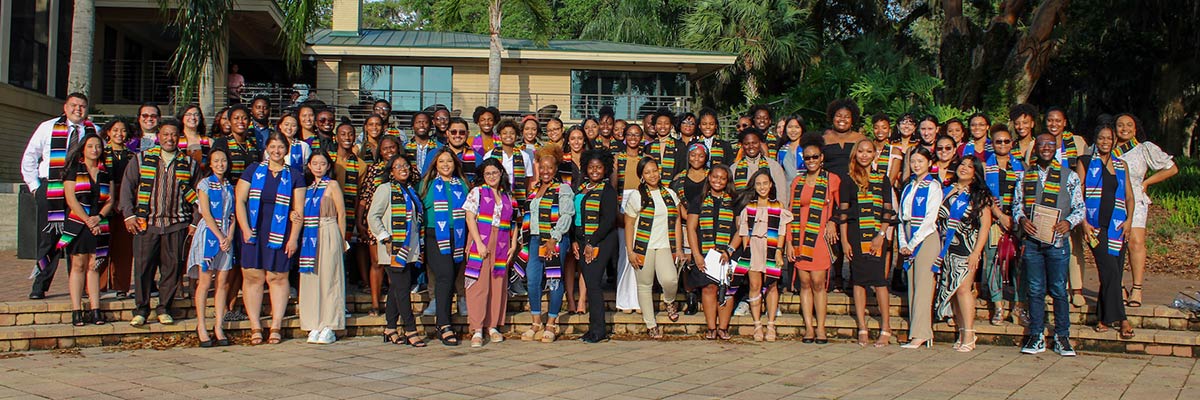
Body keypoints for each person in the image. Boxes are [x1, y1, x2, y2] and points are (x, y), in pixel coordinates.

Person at [120, 121, 199, 327]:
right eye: (165, 134)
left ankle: (164, 307)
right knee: (143, 268)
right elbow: (127, 187)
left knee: (172, 268)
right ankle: (141, 309)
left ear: (179, 137)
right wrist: (129, 215)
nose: (169, 139)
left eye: (173, 135)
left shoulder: (188, 163)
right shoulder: (142, 159)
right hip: (147, 223)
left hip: (177, 224)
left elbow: (200, 195)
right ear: (159, 136)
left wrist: (195, 221)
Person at [1014, 133, 1085, 357]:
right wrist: (1022, 220)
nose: (1046, 148)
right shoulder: (1025, 177)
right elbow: (1017, 205)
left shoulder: (1069, 176)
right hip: (1033, 242)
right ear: (1035, 149)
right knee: (1034, 290)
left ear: (1055, 148)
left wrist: (1068, 222)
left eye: (1050, 144)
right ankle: (1036, 335)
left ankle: (1062, 335)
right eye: (1042, 144)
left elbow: (1079, 208)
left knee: (1058, 290)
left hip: (1057, 242)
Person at [21, 93, 97, 299]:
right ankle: (40, 285)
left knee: (76, 237)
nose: (78, 110)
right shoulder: (48, 127)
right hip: (52, 188)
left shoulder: (94, 131)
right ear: (65, 107)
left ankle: (78, 287)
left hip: (81, 191)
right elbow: (30, 157)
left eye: (82, 106)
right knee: (49, 239)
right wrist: (35, 187)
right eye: (74, 105)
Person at [234, 132, 306, 344]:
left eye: (281, 147)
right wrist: (245, 228)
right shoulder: (253, 171)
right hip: (253, 230)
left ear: (287, 150)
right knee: (253, 277)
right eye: (273, 146)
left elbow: (299, 209)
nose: (277, 151)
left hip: (281, 230)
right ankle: (255, 325)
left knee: (278, 277)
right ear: (266, 148)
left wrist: (293, 238)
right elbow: (240, 201)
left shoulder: (295, 175)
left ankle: (276, 325)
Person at [1112, 113, 1177, 308]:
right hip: (1110, 200)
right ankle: (1119, 287)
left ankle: (1137, 288)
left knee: (1136, 242)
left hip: (1135, 200)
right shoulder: (1105, 147)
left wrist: (1147, 182)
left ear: (1135, 128)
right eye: (1120, 125)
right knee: (1113, 245)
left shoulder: (1143, 149)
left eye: (1129, 125)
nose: (1124, 128)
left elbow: (1171, 168)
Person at [1078, 121, 1136, 339]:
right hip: (1095, 227)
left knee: (1114, 271)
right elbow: (1079, 194)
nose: (1105, 142)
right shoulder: (1084, 162)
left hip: (1118, 226)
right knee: (1110, 270)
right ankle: (1122, 319)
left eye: (1109, 139)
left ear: (1114, 142)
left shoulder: (1121, 166)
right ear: (1095, 140)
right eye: (1101, 138)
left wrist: (1129, 220)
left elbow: (1129, 196)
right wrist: (1083, 222)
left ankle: (1103, 317)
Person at [839, 139, 896, 347]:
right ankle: (862, 326)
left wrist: (881, 235)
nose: (864, 155)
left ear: (874, 155)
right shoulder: (848, 180)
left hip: (876, 235)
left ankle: (885, 327)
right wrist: (844, 241)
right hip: (855, 235)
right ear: (855, 154)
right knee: (858, 281)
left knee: (879, 281)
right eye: (860, 151)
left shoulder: (882, 179)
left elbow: (887, 211)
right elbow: (844, 213)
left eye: (868, 151)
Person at [933, 157, 993, 353]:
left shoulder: (979, 194)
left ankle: (969, 333)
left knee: (963, 289)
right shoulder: (947, 189)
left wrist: (976, 252)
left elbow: (985, 226)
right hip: (946, 247)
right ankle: (961, 331)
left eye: (970, 167)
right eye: (962, 165)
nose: (965, 169)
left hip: (967, 246)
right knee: (953, 290)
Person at [367, 154, 427, 347]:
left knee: (396, 288)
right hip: (392, 247)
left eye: (406, 166)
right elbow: (373, 216)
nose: (403, 169)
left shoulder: (410, 190)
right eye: (398, 166)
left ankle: (390, 327)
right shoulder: (385, 189)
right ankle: (410, 329)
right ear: (391, 171)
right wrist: (385, 236)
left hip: (409, 247)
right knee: (402, 289)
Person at [786, 134, 840, 344]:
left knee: (819, 282)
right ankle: (809, 327)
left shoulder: (831, 180)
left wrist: (832, 221)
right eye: (807, 158)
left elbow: (839, 207)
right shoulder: (797, 182)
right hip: (800, 236)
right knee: (805, 282)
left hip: (819, 237)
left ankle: (821, 327)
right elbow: (791, 211)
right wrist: (789, 241)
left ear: (821, 158)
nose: (811, 161)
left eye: (814, 157)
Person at [623, 157, 684, 339]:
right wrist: (630, 251)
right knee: (644, 285)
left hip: (665, 244)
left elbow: (677, 220)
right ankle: (651, 324)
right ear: (642, 176)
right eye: (647, 172)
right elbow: (629, 224)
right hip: (643, 246)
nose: (652, 175)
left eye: (654, 170)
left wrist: (679, 248)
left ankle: (669, 301)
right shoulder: (637, 196)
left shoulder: (670, 194)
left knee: (670, 280)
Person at [520, 144, 576, 343]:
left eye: (549, 167)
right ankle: (536, 321)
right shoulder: (534, 189)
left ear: (556, 168)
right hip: (534, 240)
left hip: (554, 239)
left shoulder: (563, 189)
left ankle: (551, 323)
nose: (545, 171)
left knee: (554, 280)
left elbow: (567, 214)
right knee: (533, 279)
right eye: (542, 167)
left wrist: (555, 237)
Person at [58, 134, 114, 326]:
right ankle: (76, 309)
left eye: (98, 146)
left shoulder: (105, 172)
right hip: (78, 223)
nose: (94, 150)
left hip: (99, 223)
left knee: (94, 265)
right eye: (90, 146)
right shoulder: (74, 170)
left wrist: (98, 218)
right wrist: (88, 221)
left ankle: (95, 308)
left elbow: (110, 200)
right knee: (78, 265)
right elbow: (71, 199)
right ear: (83, 148)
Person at [462, 159, 518, 347]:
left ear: (501, 173)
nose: (492, 176)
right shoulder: (477, 192)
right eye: (488, 174)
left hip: (502, 241)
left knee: (497, 284)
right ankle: (477, 328)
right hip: (481, 238)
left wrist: (513, 244)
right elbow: (470, 218)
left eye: (495, 172)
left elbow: (514, 221)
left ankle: (493, 325)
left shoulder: (507, 195)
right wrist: (478, 243)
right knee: (478, 284)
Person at [732, 170, 793, 341]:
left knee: (772, 285)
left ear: (771, 184)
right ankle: (757, 324)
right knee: (755, 285)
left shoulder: (778, 206)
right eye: (758, 184)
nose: (762, 187)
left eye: (765, 183)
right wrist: (747, 253)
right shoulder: (749, 207)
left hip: (772, 248)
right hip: (754, 248)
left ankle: (771, 324)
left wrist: (779, 251)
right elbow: (744, 233)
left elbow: (782, 230)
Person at [419, 149, 471, 346]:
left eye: (449, 161)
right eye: (441, 161)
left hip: (457, 236)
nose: (446, 164)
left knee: (451, 276)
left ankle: (444, 322)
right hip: (434, 236)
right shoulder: (427, 185)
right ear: (435, 164)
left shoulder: (463, 185)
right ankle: (444, 324)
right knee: (445, 276)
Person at [297, 152, 347, 344]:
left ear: (328, 166)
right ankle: (313, 322)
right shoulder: (307, 188)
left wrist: (341, 240)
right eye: (315, 163)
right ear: (309, 165)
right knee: (311, 278)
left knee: (330, 277)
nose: (318, 167)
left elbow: (341, 214)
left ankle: (330, 324)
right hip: (310, 233)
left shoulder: (332, 185)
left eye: (322, 163)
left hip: (328, 229)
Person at [187, 148, 234, 346]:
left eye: (223, 161)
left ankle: (218, 325)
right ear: (211, 163)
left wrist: (229, 236)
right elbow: (205, 213)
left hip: (226, 234)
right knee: (205, 281)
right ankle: (201, 325)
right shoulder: (205, 184)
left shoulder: (230, 186)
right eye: (216, 161)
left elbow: (233, 215)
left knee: (222, 282)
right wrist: (220, 235)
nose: (220, 164)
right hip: (209, 233)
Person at [1044, 107, 1090, 307]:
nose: (1053, 124)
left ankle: (1077, 288)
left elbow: (1088, 168)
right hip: (1046, 199)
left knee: (1074, 244)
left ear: (1064, 123)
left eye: (1058, 121)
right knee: (1048, 243)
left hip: (1072, 197)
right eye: (1050, 120)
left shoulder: (1078, 143)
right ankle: (1053, 287)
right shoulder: (1041, 142)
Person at [898, 146, 943, 349]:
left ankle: (922, 333)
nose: (916, 165)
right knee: (913, 284)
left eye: (920, 162)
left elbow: (929, 220)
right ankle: (915, 330)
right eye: (913, 161)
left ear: (929, 163)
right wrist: (903, 243)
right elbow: (901, 218)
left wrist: (913, 243)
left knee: (924, 285)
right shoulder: (908, 187)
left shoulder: (933, 186)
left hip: (925, 237)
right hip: (909, 234)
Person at [686, 164, 737, 340]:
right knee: (709, 288)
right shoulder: (699, 200)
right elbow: (691, 229)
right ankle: (711, 327)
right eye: (715, 177)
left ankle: (723, 327)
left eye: (722, 178)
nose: (718, 181)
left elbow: (740, 229)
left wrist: (729, 251)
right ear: (709, 177)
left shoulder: (734, 200)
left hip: (727, 252)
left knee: (726, 289)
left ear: (727, 181)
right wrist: (697, 255)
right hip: (705, 252)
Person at [575, 149, 620, 343]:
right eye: (591, 167)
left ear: (605, 169)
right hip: (583, 240)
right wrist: (577, 241)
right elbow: (577, 217)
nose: (594, 170)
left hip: (601, 241)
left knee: (593, 284)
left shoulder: (607, 190)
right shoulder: (582, 187)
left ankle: (599, 330)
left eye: (599, 167)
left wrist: (592, 243)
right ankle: (591, 328)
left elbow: (609, 220)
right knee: (590, 282)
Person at [982, 125, 1025, 325]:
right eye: (998, 141)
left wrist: (1015, 217)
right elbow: (983, 194)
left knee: (1018, 262)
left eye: (1006, 141)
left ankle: (1018, 305)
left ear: (1012, 143)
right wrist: (999, 215)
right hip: (994, 219)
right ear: (992, 144)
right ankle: (998, 305)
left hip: (1017, 219)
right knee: (993, 261)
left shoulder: (1020, 166)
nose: (1002, 145)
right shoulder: (984, 166)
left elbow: (1026, 194)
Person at [356, 135, 401, 315]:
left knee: (395, 264)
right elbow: (365, 197)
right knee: (377, 263)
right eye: (385, 148)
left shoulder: (406, 168)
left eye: (392, 147)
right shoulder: (374, 169)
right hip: (376, 221)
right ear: (379, 151)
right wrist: (360, 221)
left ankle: (394, 304)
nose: (389, 151)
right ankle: (375, 304)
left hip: (398, 221)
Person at [101, 120, 134, 298]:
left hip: (125, 204)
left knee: (123, 248)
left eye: (123, 130)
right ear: (108, 132)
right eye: (115, 130)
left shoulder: (132, 156)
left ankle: (121, 286)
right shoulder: (101, 153)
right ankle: (99, 286)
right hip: (104, 203)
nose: (119, 134)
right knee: (102, 246)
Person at [612, 125, 644, 313]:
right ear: (625, 137)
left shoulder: (646, 159)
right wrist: (617, 211)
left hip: (641, 204)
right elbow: (614, 185)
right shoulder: (618, 158)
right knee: (625, 254)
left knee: (639, 253)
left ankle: (639, 300)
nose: (633, 138)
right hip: (623, 204)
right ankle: (624, 300)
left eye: (636, 135)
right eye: (630, 134)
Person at [484, 119, 534, 208]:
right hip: (495, 197)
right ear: (499, 136)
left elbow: (527, 181)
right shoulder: (490, 155)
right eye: (504, 133)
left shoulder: (524, 157)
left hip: (517, 198)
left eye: (512, 133)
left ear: (517, 136)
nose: (508, 136)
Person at [731, 128, 786, 195]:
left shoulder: (773, 166)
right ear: (742, 145)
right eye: (746, 144)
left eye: (754, 143)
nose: (751, 146)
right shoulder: (734, 168)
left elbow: (782, 193)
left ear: (760, 143)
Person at [212, 105, 261, 181]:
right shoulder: (222, 143)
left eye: (244, 118)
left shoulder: (253, 144)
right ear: (229, 121)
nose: (240, 121)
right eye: (236, 118)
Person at [644, 110, 680, 184]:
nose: (663, 126)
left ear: (671, 126)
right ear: (655, 126)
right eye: (659, 123)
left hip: (673, 188)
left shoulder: (680, 146)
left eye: (666, 123)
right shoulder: (648, 148)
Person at [446, 117, 482, 182]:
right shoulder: (435, 154)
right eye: (453, 132)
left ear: (467, 134)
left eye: (462, 132)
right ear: (447, 133)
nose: (457, 135)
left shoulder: (477, 158)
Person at [404, 111, 441, 176]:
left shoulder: (439, 147)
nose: (421, 125)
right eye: (418, 122)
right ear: (413, 125)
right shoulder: (404, 147)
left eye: (425, 122)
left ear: (430, 126)